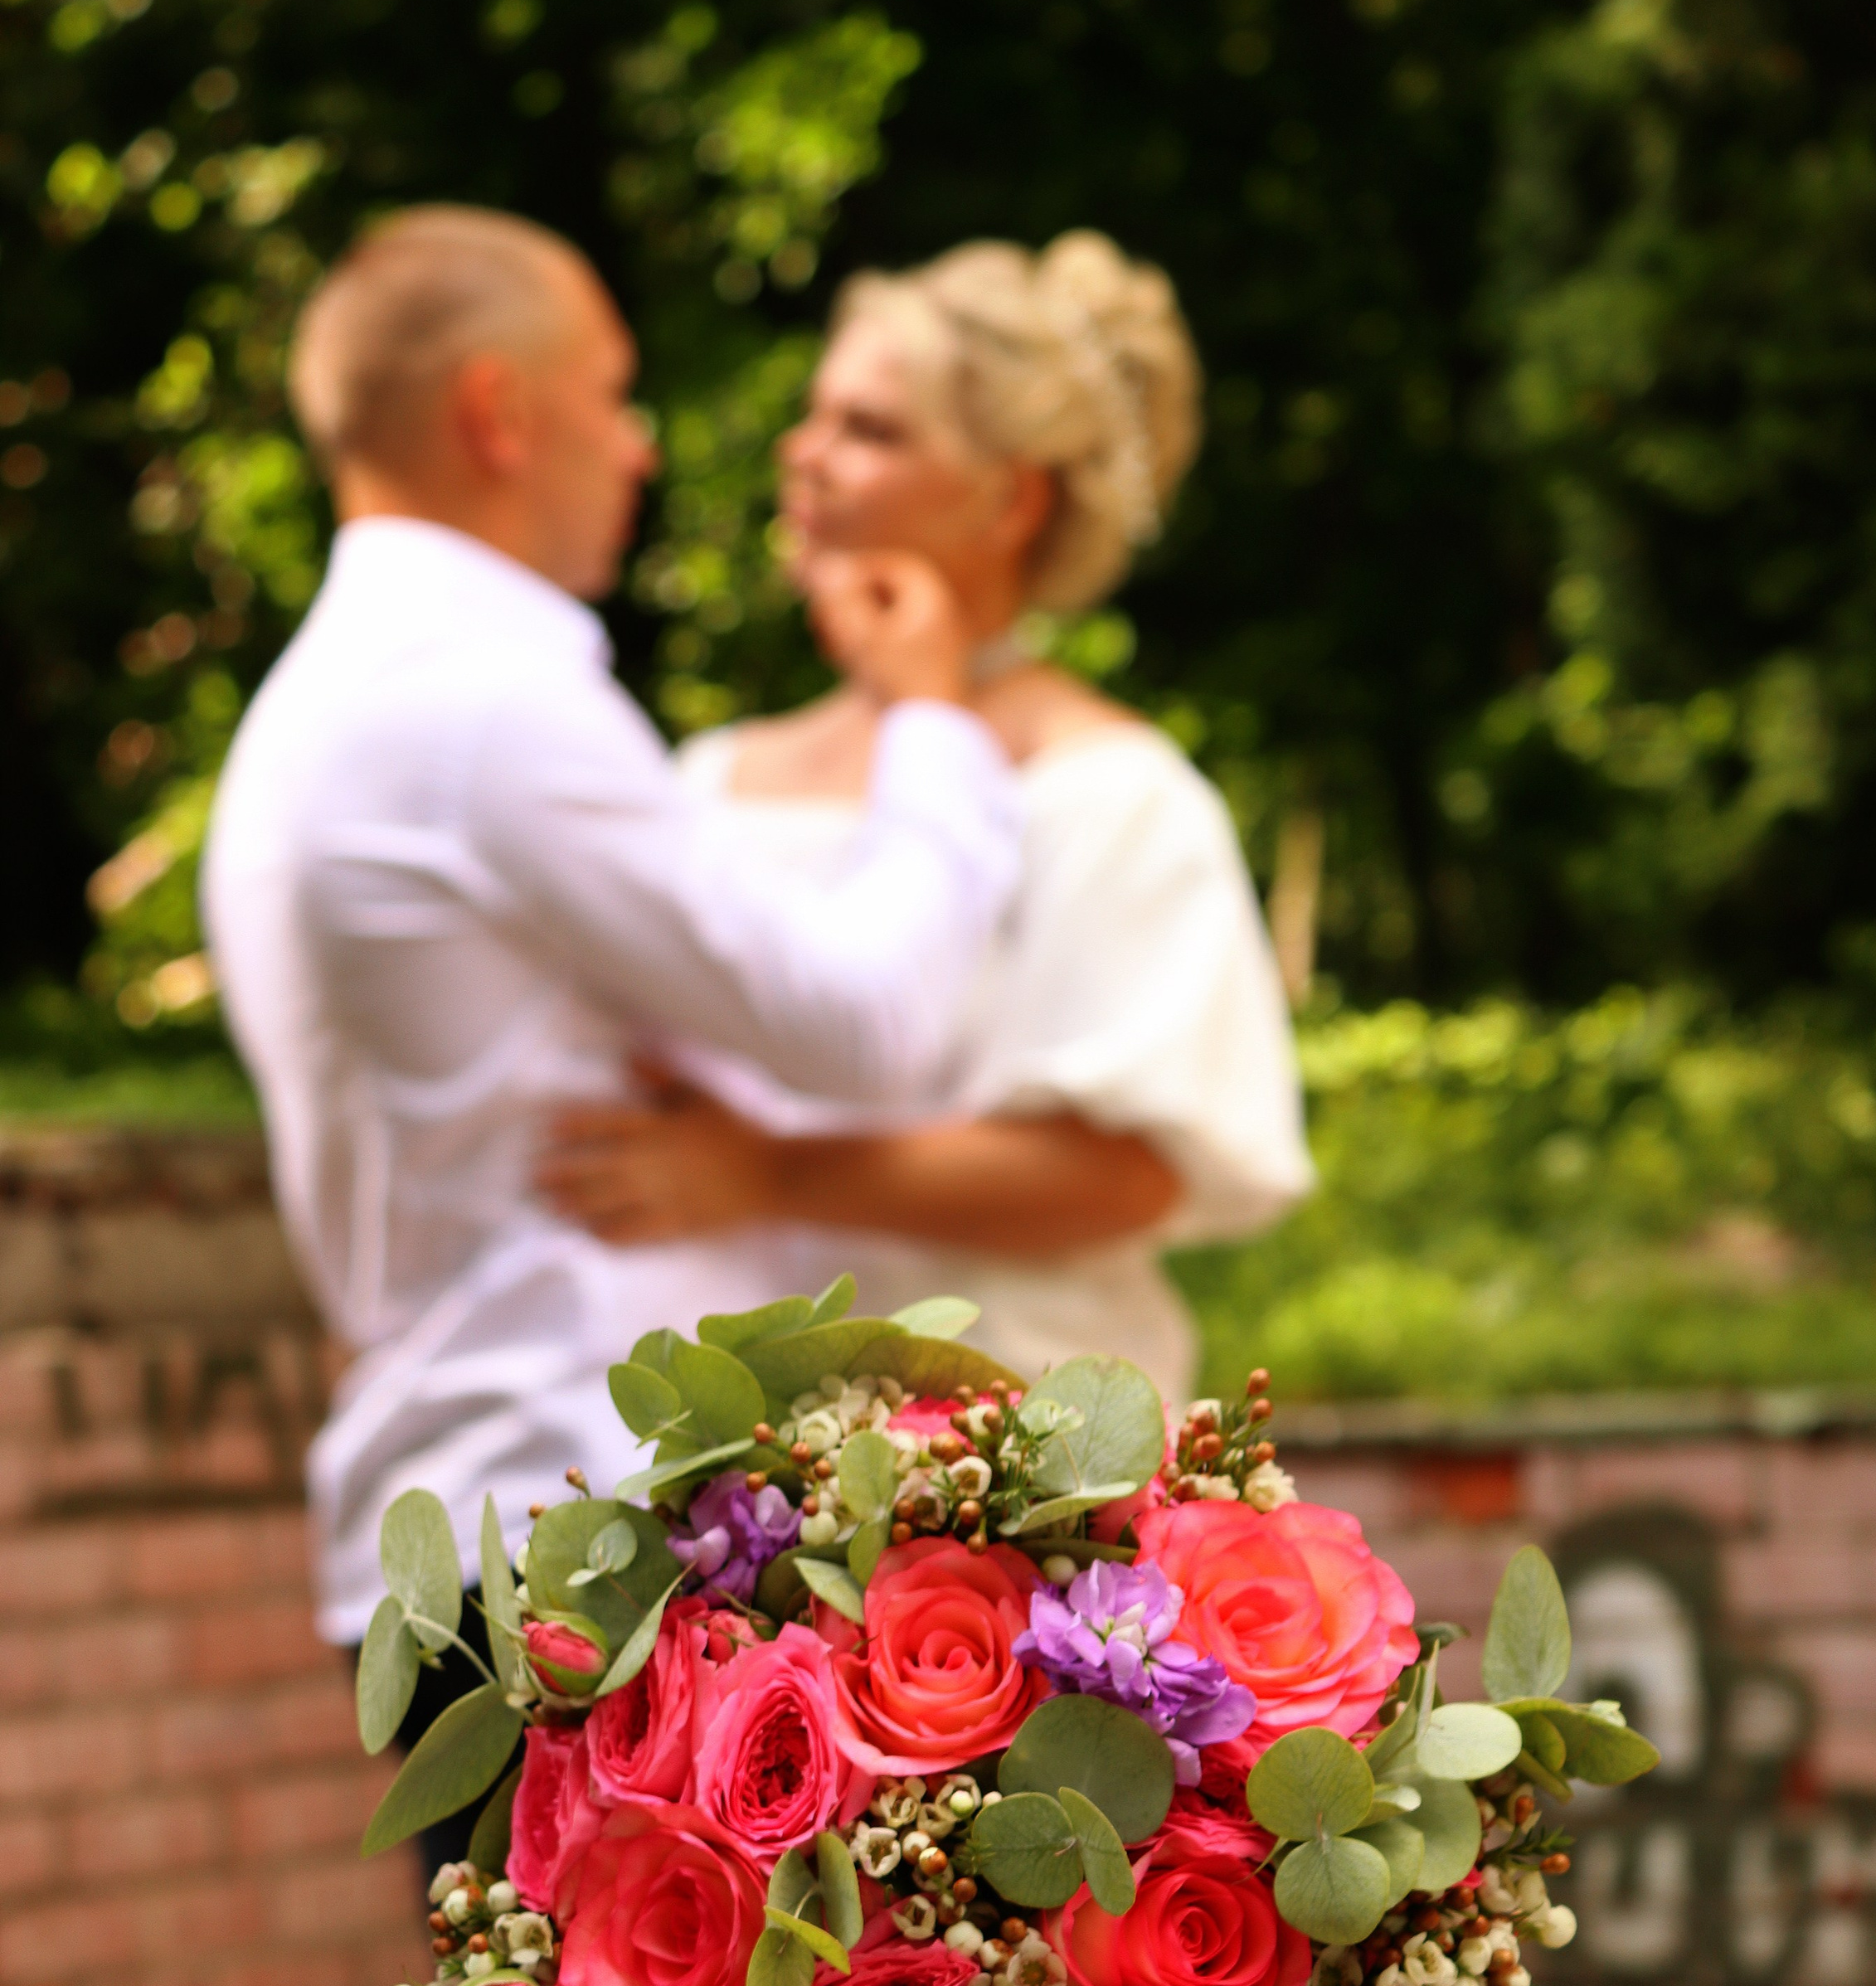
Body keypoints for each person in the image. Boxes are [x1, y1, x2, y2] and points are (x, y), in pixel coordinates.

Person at [205, 205, 1024, 1650]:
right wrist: (937, 719)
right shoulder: (481, 705)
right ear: (498, 412)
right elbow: (859, 1022)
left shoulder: (313, 708)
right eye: (611, 393)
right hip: (576, 1531)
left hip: (466, 1529)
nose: (640, 444)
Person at [535, 233, 1311, 1399]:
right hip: (724, 1514)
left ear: (1011, 498)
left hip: (1007, 1493)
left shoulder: (1113, 796)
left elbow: (1125, 1172)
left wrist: (775, 1174)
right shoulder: (708, 777)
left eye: (870, 430)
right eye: (816, 418)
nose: (805, 457)